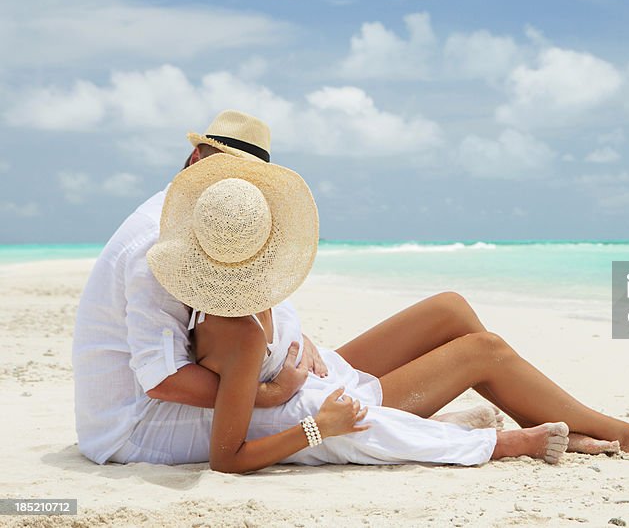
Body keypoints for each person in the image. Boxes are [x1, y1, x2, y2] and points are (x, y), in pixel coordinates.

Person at [71, 110, 629, 467]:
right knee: (484, 352)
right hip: (147, 422)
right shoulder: (158, 247)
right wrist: (275, 389)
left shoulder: (219, 219)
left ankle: (522, 413)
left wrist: (294, 339)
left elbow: (246, 291)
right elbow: (161, 378)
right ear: (195, 161)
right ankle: (611, 433)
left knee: (450, 310)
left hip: (249, 371)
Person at [145, 151, 569, 471]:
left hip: (311, 391)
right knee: (373, 428)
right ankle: (503, 444)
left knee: (444, 320)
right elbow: (227, 458)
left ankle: (460, 424)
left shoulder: (241, 308)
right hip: (303, 412)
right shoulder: (239, 332)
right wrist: (319, 427)